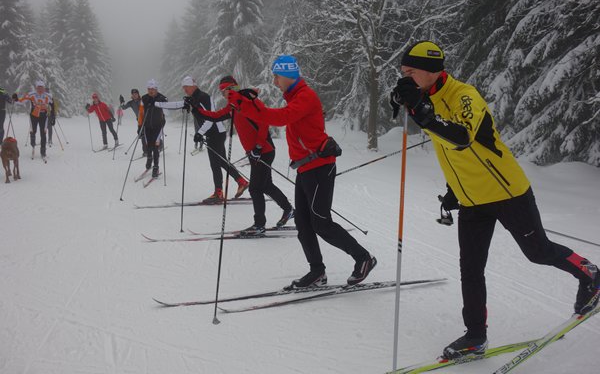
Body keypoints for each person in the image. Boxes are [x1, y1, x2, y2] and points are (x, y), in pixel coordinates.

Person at [389, 40, 600, 359]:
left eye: (410, 71)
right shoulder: (427, 98)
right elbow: (451, 153)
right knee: (470, 268)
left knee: (538, 251)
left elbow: (461, 137)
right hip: (472, 200)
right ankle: (475, 337)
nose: (406, 77)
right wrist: (453, 189)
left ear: (431, 70)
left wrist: (422, 113)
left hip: (507, 192)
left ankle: (589, 273)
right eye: (403, 72)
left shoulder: (464, 95)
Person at [227, 55, 377, 288]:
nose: (275, 82)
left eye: (276, 76)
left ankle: (363, 258)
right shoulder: (295, 97)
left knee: (321, 223)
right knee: (304, 224)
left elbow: (278, 118)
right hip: (306, 168)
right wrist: (250, 103)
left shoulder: (305, 97)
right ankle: (317, 272)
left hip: (319, 167)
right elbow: (278, 116)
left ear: (287, 74)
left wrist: (246, 104)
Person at [192, 75, 294, 235]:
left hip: (264, 151)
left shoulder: (249, 100)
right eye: (221, 92)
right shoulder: (233, 105)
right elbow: (216, 115)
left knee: (255, 188)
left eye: (224, 91)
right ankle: (288, 210)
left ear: (232, 88)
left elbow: (263, 122)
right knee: (266, 185)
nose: (223, 95)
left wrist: (259, 147)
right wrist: (196, 110)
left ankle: (259, 225)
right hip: (255, 152)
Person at [180, 76, 249, 203]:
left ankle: (219, 193)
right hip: (215, 132)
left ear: (192, 86)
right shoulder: (195, 97)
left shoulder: (202, 97)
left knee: (215, 163)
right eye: (183, 88)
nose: (184, 90)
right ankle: (241, 181)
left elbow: (210, 117)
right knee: (222, 161)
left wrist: (200, 132)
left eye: (186, 87)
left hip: (215, 132)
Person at [13, 80, 53, 158]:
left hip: (44, 116)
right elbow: (22, 101)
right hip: (34, 116)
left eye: (42, 88)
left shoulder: (48, 96)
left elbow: (52, 106)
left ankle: (43, 151)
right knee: (33, 131)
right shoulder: (32, 95)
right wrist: (16, 99)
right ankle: (33, 142)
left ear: (44, 88)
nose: (40, 90)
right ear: (36, 88)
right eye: (38, 88)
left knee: (43, 133)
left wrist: (51, 113)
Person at [139, 80, 167, 178]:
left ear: (156, 89)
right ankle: (149, 159)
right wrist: (140, 126)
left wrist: (156, 102)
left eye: (153, 89)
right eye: (149, 89)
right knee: (148, 145)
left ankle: (156, 167)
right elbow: (141, 113)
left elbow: (166, 101)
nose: (150, 91)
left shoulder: (161, 97)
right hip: (147, 126)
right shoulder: (144, 98)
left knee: (155, 147)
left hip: (158, 126)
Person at [122, 89, 148, 156]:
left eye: (136, 94)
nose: (134, 95)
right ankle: (145, 151)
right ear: (132, 95)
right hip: (139, 121)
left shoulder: (142, 100)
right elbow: (124, 107)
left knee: (149, 135)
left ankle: (159, 145)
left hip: (147, 119)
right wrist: (122, 102)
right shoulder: (131, 103)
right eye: (133, 94)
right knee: (142, 135)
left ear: (138, 94)